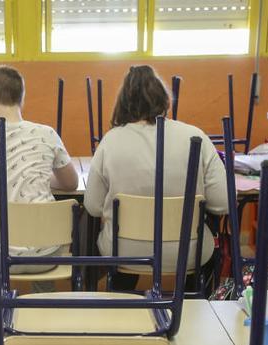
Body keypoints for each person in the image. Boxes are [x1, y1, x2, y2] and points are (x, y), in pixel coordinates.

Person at [83, 65, 228, 291]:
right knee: (211, 234)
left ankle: (120, 296)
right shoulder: (195, 136)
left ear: (123, 102)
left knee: (104, 240)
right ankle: (193, 299)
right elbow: (223, 203)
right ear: (165, 99)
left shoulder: (111, 141)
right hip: (188, 251)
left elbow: (92, 206)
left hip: (123, 250)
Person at [0, 66, 79, 298]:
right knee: (40, 238)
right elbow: (71, 183)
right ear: (21, 99)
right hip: (46, 254)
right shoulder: (47, 133)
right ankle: (42, 302)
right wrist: (36, 178)